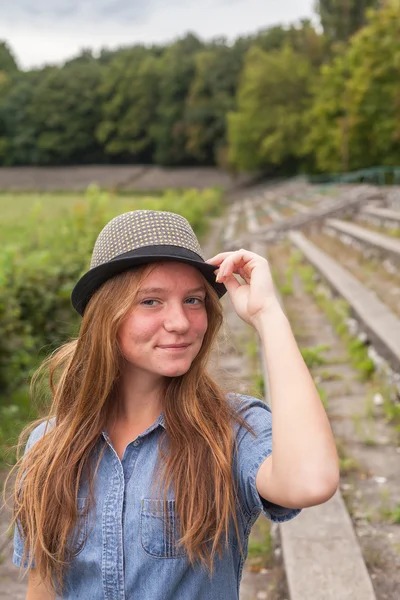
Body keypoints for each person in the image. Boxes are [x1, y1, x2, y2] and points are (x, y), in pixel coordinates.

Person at [6, 209, 339, 600]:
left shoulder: (230, 431)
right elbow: (42, 587)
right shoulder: (50, 445)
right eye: (151, 301)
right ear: (105, 317)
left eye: (193, 300)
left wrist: (269, 316)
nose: (180, 322)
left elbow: (310, 481)